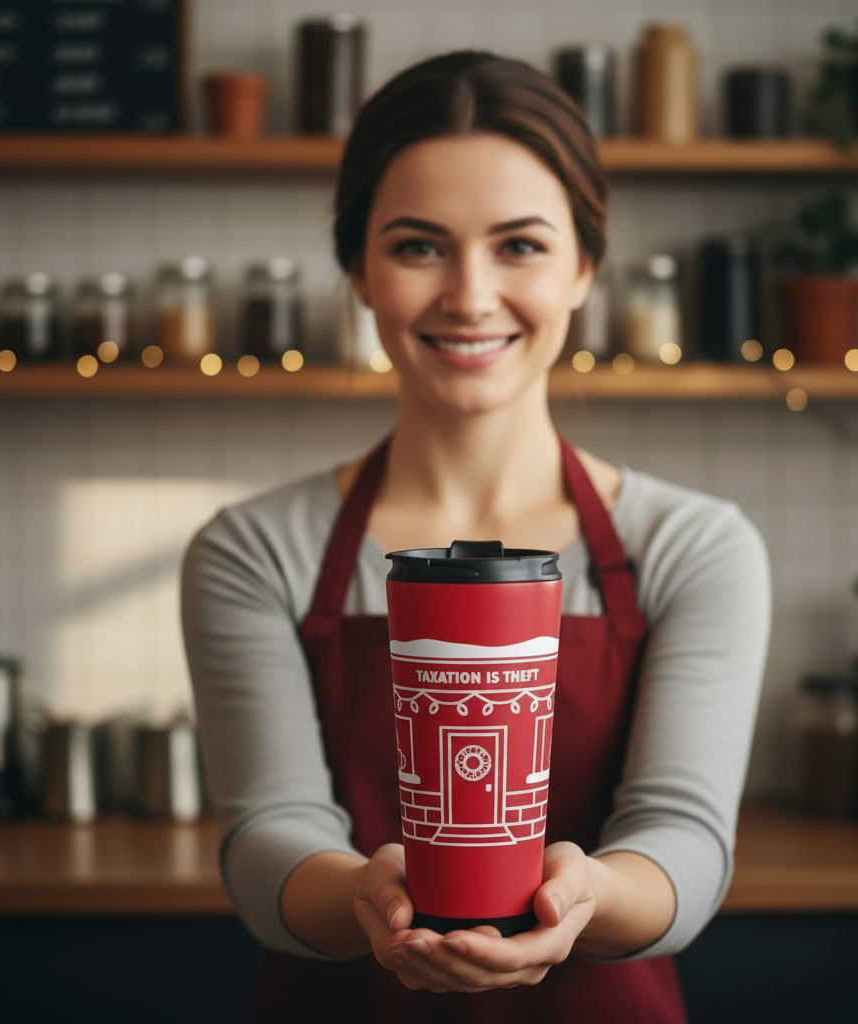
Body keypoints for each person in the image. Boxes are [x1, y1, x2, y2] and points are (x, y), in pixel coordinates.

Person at [182, 51, 770, 1023]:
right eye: (418, 245)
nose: (468, 294)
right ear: (358, 271)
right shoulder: (253, 550)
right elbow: (266, 836)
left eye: (520, 245)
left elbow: (686, 839)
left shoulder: (694, 546)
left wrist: (586, 899)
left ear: (584, 267)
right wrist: (367, 899)